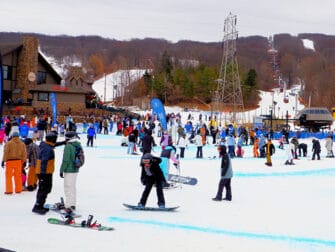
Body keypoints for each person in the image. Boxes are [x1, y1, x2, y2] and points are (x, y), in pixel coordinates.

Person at [32, 131, 58, 214]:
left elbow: (53, 145)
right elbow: (44, 161)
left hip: (46, 171)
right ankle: (37, 206)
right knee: (43, 189)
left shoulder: (45, 144)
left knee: (46, 189)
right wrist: (42, 175)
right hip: (44, 172)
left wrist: (64, 142)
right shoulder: (47, 148)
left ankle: (40, 204)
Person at [60, 131, 83, 212]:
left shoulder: (68, 146)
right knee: (72, 187)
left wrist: (61, 170)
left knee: (68, 187)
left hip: (69, 169)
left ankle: (69, 206)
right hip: (75, 169)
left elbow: (65, 160)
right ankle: (72, 204)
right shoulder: (77, 144)